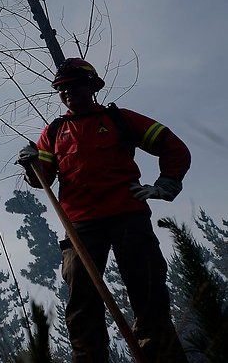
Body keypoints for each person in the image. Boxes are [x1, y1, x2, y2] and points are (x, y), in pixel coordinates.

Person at [17, 58, 190, 363]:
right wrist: (32, 164)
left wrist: (166, 183)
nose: (67, 92)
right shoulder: (55, 131)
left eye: (74, 86)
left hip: (128, 216)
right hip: (80, 226)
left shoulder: (120, 119)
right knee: (82, 305)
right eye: (62, 89)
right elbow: (42, 179)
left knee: (148, 296)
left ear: (92, 87)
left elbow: (172, 146)